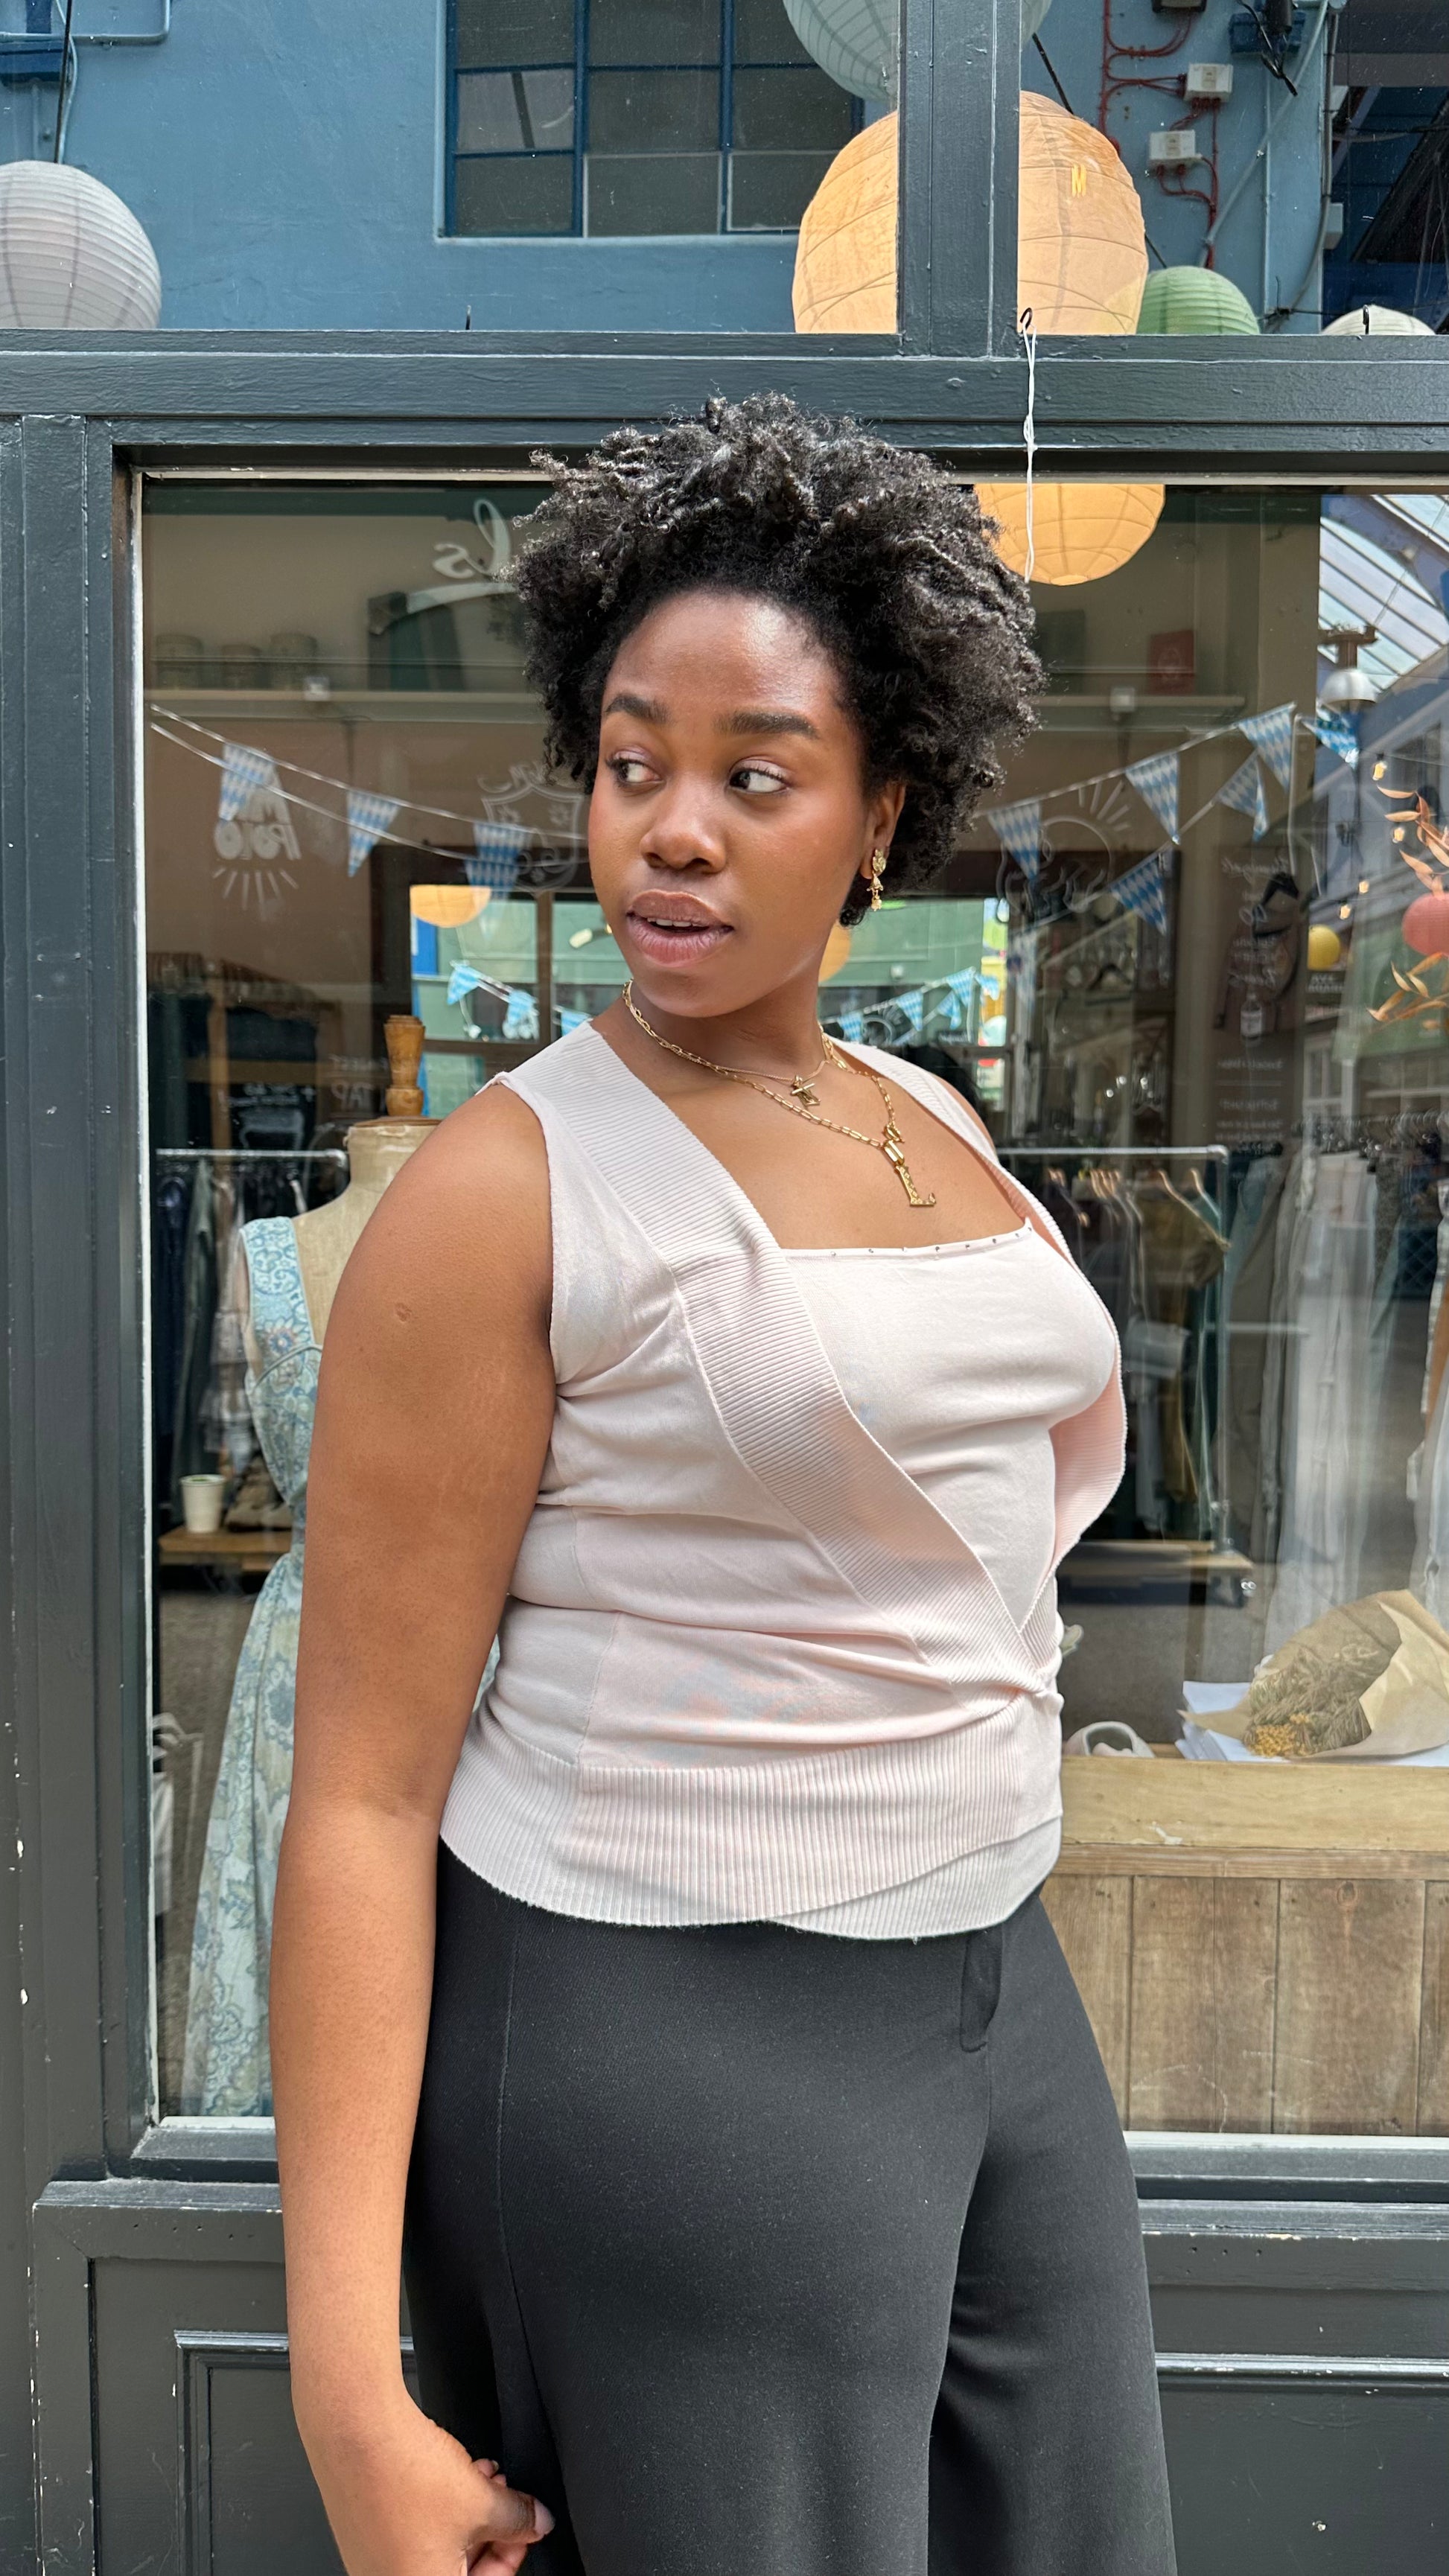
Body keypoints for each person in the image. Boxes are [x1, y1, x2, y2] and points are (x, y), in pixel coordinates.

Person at [270, 395, 1176, 2576]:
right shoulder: (511, 1192)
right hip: (667, 2020)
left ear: (880, 818)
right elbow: (363, 1795)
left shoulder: (924, 1108)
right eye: (631, 763)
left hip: (990, 1976)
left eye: (755, 775)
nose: (672, 830)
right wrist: (345, 2386)